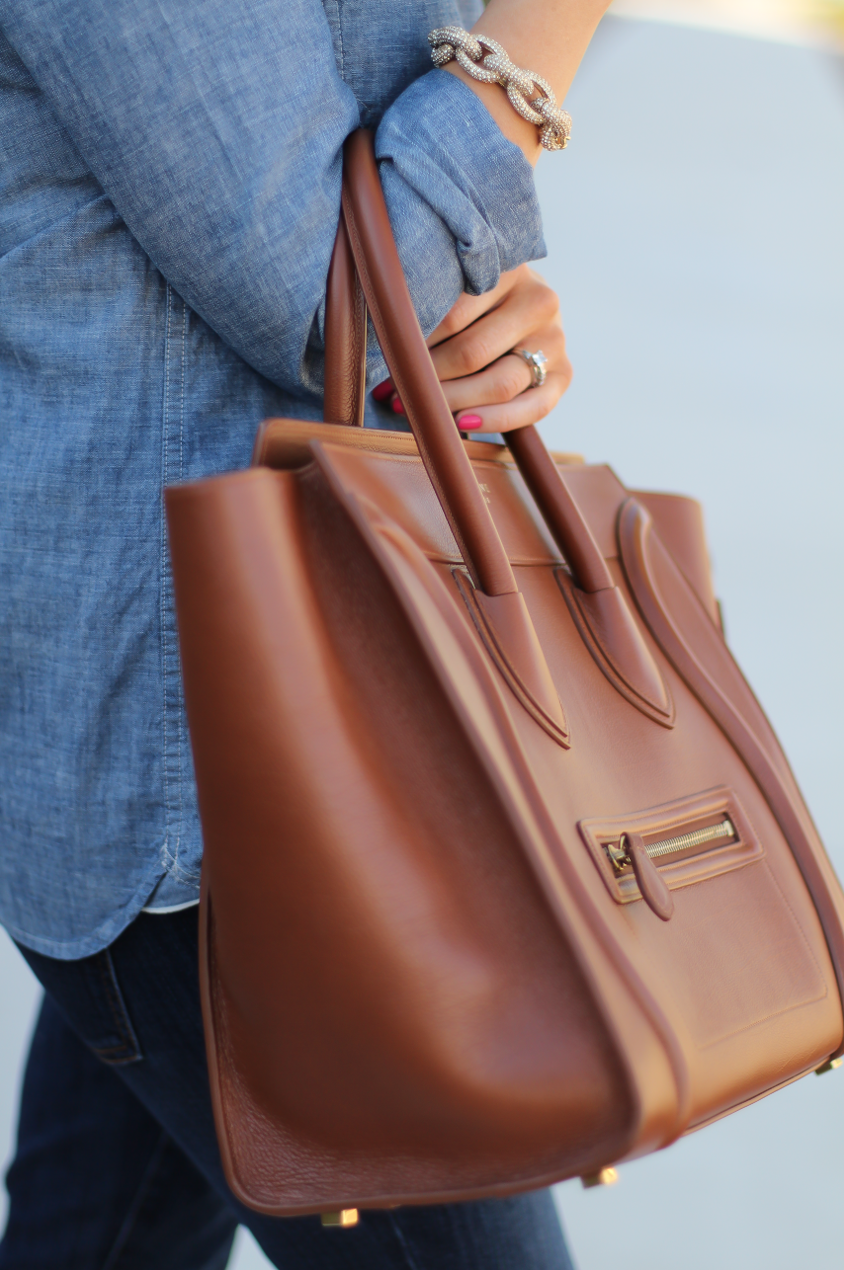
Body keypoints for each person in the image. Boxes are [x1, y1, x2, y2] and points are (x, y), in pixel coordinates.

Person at [0, 0, 610, 1264]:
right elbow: (323, 295)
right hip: (205, 778)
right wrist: (549, 34)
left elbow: (378, 256)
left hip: (300, 712)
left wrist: (494, 325)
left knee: (94, 1235)